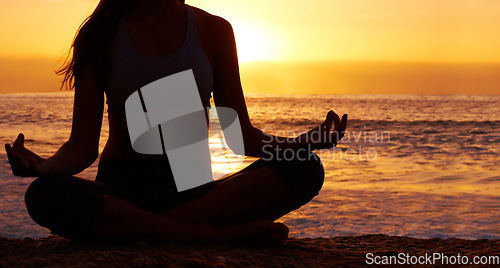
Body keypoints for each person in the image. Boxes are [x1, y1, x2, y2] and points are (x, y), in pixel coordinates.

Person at [5, 0, 347, 245]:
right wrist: (45, 167)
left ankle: (151, 229)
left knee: (305, 166)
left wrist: (305, 142)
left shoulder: (214, 30)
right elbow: (81, 147)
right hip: (122, 189)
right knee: (45, 195)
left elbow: (241, 138)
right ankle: (209, 234)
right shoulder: (101, 34)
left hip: (195, 191)